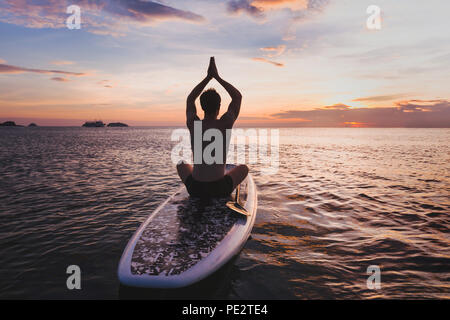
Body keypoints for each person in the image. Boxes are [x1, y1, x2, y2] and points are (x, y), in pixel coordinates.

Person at [176, 57, 248, 198]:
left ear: (201, 106)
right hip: (219, 189)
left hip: (195, 188)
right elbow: (237, 97)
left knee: (181, 164)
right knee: (244, 168)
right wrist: (217, 77)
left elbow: (190, 99)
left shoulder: (194, 123)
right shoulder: (225, 123)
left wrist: (208, 78)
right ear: (219, 106)